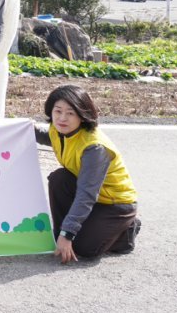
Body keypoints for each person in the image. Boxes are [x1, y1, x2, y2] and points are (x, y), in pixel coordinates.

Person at [34, 84, 141, 263]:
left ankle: (127, 230)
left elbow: (86, 195)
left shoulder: (94, 148)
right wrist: (19, 127)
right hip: (92, 197)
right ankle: (61, 234)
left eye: (70, 113)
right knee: (59, 178)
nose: (62, 118)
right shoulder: (58, 129)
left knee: (84, 249)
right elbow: (48, 136)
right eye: (57, 111)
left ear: (82, 115)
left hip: (115, 204)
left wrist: (68, 234)